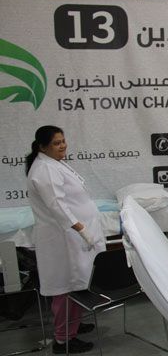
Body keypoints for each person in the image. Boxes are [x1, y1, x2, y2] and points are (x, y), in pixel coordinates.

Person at [26, 126, 106, 354]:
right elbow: (57, 206)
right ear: (42, 147)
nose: (62, 145)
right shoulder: (45, 169)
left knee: (78, 283)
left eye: (63, 141)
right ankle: (63, 341)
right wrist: (82, 229)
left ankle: (74, 325)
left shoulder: (53, 163)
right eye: (56, 143)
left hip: (72, 238)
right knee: (66, 288)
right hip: (64, 240)